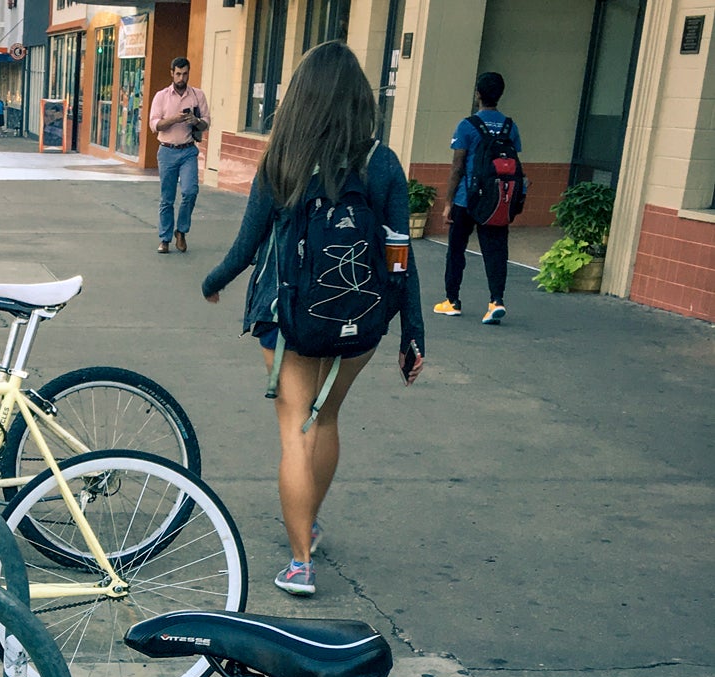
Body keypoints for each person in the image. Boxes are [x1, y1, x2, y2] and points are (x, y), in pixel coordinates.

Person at [200, 41, 424, 598]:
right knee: (325, 421)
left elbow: (248, 243)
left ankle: (301, 561)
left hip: (289, 318)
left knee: (295, 430)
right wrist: (412, 330)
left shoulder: (284, 159)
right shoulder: (383, 163)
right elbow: (400, 254)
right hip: (361, 319)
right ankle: (310, 524)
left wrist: (214, 282)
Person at [435, 71, 521, 324]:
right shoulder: (510, 126)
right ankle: (496, 301)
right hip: (496, 200)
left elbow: (457, 166)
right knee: (496, 250)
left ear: (478, 94)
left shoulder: (467, 125)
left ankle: (452, 300)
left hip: (466, 199)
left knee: (456, 250)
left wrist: (448, 203)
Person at [148, 57, 209, 254]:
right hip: (167, 150)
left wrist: (195, 120)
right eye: (178, 74)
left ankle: (181, 231)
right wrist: (173, 119)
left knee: (190, 191)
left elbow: (206, 123)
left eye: (185, 74)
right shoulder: (162, 96)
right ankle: (164, 238)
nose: (181, 78)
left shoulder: (197, 95)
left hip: (188, 150)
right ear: (172, 73)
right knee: (167, 198)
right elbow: (154, 125)